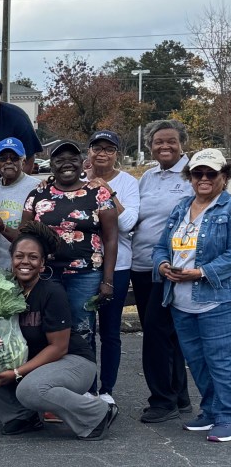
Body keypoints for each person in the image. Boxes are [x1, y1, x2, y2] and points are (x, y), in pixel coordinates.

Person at [0, 222, 119, 439]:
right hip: (36, 361)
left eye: (33, 257)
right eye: (19, 256)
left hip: (72, 361)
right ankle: (21, 416)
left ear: (42, 264)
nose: (25, 262)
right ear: (11, 261)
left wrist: (16, 373)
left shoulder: (52, 292)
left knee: (30, 390)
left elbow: (59, 348)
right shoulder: (3, 290)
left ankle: (97, 413)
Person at [152, 149, 231, 441]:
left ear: (224, 176)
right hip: (180, 300)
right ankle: (210, 412)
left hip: (216, 300)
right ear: (190, 177)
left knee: (220, 362)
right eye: (198, 173)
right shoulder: (182, 207)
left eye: (211, 173)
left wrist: (200, 272)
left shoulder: (228, 209)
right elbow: (161, 246)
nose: (204, 178)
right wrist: (162, 265)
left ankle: (227, 416)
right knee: (197, 362)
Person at [19, 140, 118, 362]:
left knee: (82, 332)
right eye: (60, 160)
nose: (67, 164)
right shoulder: (38, 193)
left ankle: (85, 381)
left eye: (72, 159)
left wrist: (108, 280)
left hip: (85, 275)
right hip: (45, 275)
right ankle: (49, 380)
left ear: (82, 163)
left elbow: (111, 239)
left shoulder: (98, 193)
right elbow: (24, 235)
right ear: (51, 164)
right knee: (46, 331)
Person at [131, 119, 193, 423]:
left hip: (171, 267)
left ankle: (162, 401)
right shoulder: (148, 177)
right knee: (165, 333)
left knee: (156, 332)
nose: (164, 146)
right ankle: (180, 397)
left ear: (182, 144)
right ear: (150, 146)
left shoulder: (193, 174)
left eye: (171, 141)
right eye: (158, 142)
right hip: (142, 265)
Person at [83, 130, 140, 405]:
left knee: (109, 331)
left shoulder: (128, 182)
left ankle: (107, 389)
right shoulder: (79, 180)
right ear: (89, 151)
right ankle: (87, 386)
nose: (102, 153)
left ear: (117, 153)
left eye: (108, 149)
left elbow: (127, 224)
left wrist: (106, 189)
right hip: (83, 265)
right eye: (97, 148)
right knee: (83, 331)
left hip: (117, 265)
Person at [0, 138, 40, 270]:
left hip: (26, 269)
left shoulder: (37, 187)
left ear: (23, 162)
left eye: (14, 158)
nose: (8, 162)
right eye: (3, 158)